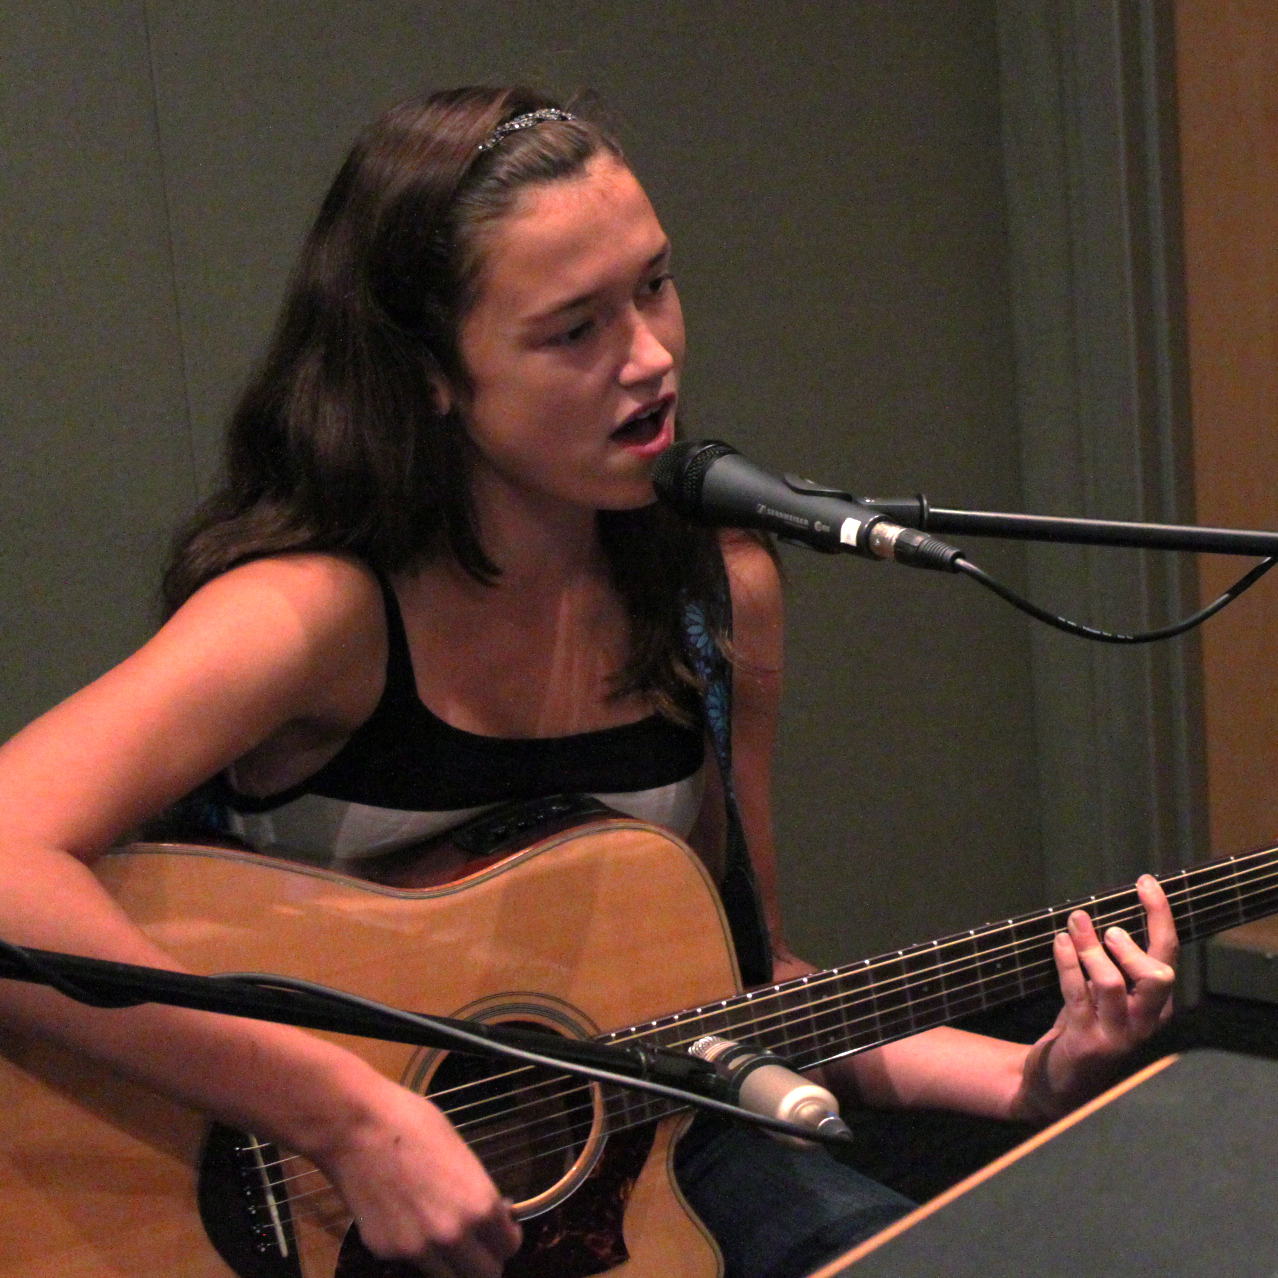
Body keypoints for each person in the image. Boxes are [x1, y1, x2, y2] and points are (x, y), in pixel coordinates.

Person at [0, 86, 1178, 1278]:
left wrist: (1028, 1077)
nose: (652, 356)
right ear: (430, 375)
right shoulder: (313, 614)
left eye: (654, 285)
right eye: (575, 331)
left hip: (635, 1179)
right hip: (287, 1213)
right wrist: (344, 1115)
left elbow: (740, 990)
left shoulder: (716, 595)